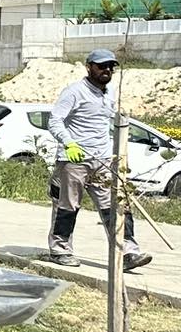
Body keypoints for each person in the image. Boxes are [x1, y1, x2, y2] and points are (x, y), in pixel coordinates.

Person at [47, 48, 151, 270]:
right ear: (89, 67)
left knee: (115, 206)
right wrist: (69, 143)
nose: (106, 70)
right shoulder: (74, 91)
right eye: (101, 66)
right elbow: (55, 121)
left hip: (103, 160)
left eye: (110, 66)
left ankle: (127, 253)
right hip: (75, 160)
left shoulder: (110, 92)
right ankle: (60, 250)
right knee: (68, 206)